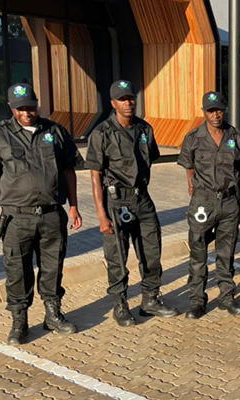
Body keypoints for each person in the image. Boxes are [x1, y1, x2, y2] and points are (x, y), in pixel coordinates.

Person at [0, 83, 83, 345]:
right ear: (11, 108)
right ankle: (19, 321)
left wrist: (73, 205)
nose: (26, 113)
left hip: (51, 215)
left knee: (53, 267)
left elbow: (68, 170)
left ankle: (53, 314)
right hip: (16, 217)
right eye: (20, 108)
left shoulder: (55, 131)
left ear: (37, 105)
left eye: (30, 107)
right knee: (17, 271)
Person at [85, 80, 177, 327]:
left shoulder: (145, 129)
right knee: (117, 257)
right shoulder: (102, 133)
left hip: (142, 199)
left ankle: (150, 300)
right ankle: (120, 304)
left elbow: (150, 158)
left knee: (151, 252)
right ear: (113, 103)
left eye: (131, 98)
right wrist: (101, 215)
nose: (128, 103)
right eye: (122, 99)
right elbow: (95, 176)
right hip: (116, 202)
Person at [177, 91, 240, 319]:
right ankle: (197, 300)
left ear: (224, 110)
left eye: (218, 110)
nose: (215, 115)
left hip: (229, 202)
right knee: (198, 253)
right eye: (210, 111)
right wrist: (192, 186)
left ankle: (227, 297)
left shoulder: (235, 135)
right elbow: (188, 166)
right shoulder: (193, 138)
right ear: (204, 112)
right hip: (203, 202)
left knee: (226, 252)